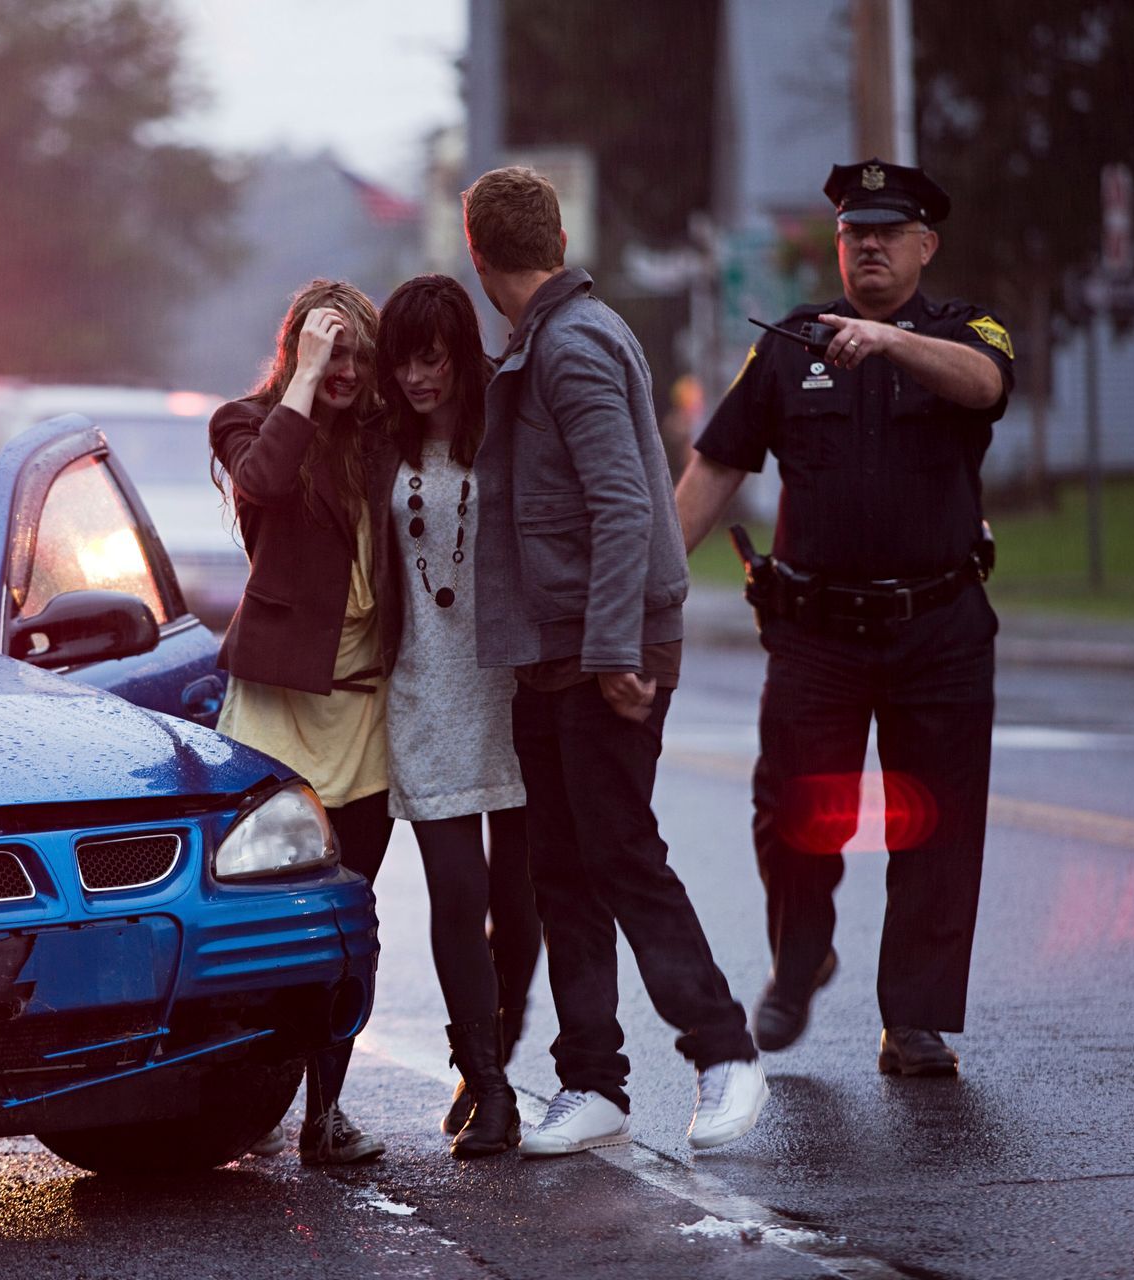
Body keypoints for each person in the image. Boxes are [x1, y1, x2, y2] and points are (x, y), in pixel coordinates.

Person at [674, 159, 1013, 1077]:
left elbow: (984, 383)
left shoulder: (962, 332)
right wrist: (648, 590)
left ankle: (915, 1020)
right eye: (854, 232)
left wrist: (889, 342)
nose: (868, 245)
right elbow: (716, 466)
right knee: (790, 808)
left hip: (938, 626)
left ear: (924, 246)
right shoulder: (788, 343)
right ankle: (801, 956)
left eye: (888, 232)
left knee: (936, 824)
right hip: (817, 632)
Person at [463, 165, 767, 1155]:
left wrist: (612, 649)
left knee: (623, 854)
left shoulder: (576, 343)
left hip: (604, 651)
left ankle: (726, 1052)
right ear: (553, 239)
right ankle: (593, 1079)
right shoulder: (550, 335)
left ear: (478, 256)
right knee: (566, 871)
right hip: (556, 654)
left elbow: (625, 505)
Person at [210, 279, 400, 1164]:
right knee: (264, 924)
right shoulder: (246, 423)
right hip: (278, 718)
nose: (347, 372)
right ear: (294, 355)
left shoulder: (385, 438)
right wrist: (303, 379)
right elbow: (264, 482)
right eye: (330, 354)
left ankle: (327, 1113)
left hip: (365, 715)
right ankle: (238, 1097)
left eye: (359, 354)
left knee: (344, 924)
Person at [376, 274, 538, 1159]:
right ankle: (491, 1086)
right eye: (401, 362)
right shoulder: (379, 448)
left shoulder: (507, 436)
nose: (415, 378)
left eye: (431, 358)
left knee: (517, 906)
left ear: (461, 358)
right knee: (457, 894)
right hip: (422, 698)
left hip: (509, 692)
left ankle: (491, 1058)